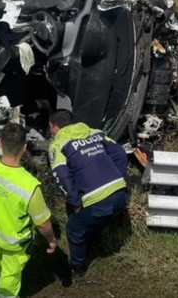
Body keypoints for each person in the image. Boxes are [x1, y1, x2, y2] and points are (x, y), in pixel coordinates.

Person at [0, 123, 57, 298]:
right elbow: (43, 224)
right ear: (24, 148)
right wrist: (51, 240)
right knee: (10, 274)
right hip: (13, 243)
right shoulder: (30, 186)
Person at [48, 109, 128, 277]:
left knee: (74, 229)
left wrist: (75, 202)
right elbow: (120, 153)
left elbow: (62, 177)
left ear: (54, 127)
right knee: (94, 218)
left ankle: (77, 270)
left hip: (98, 201)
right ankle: (97, 238)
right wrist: (118, 177)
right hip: (121, 193)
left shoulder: (58, 145)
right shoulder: (95, 132)